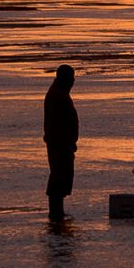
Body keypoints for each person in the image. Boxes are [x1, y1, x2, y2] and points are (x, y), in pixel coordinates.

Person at [43, 64, 79, 221]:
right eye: (71, 78)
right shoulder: (57, 95)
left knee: (62, 176)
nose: (73, 81)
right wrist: (66, 142)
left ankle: (58, 212)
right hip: (59, 144)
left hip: (62, 143)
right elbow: (58, 124)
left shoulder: (59, 93)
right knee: (59, 175)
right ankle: (55, 212)